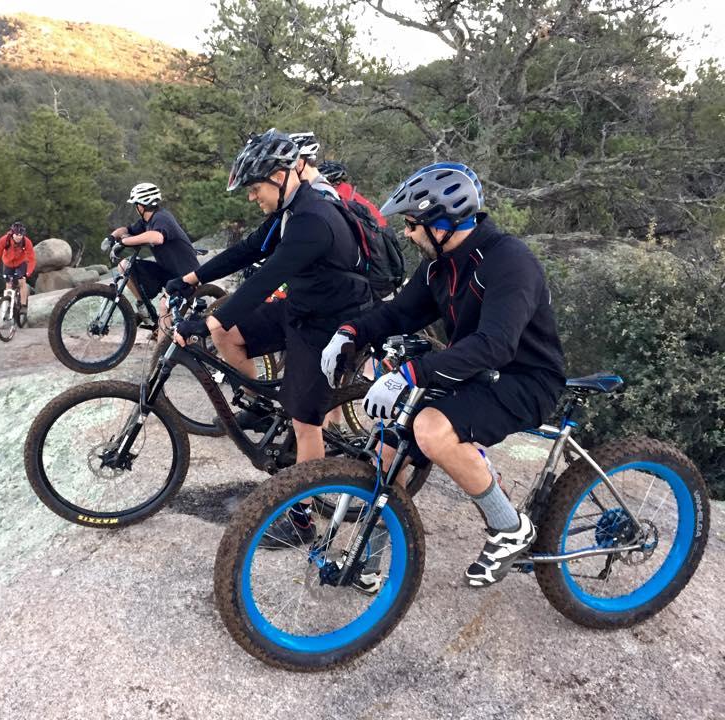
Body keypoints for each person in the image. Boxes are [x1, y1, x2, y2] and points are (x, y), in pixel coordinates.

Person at [320, 162, 567, 587]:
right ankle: (368, 562)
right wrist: (349, 332)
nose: (408, 234)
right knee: (386, 446)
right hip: (474, 370)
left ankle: (510, 528)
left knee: (431, 430)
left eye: (414, 224)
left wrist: (411, 373)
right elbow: (400, 312)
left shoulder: (510, 261)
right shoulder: (441, 264)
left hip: (526, 378)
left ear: (443, 223)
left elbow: (496, 344)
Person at [167, 129, 372, 545]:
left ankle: (302, 518)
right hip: (301, 307)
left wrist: (205, 322)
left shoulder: (313, 219)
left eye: (255, 187)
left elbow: (265, 279)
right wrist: (192, 277)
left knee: (305, 422)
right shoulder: (291, 210)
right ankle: (265, 405)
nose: (251, 196)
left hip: (329, 324)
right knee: (230, 334)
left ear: (281, 176)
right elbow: (246, 250)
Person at [102, 183, 200, 321]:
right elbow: (126, 230)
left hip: (184, 274)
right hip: (165, 271)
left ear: (140, 206)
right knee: (125, 265)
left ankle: (163, 338)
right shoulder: (146, 221)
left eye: (135, 204)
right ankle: (144, 307)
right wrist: (112, 237)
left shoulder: (162, 217)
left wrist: (124, 242)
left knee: (165, 307)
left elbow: (157, 237)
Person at [0, 221, 36, 314]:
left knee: (22, 281)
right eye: (17, 234)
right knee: (9, 284)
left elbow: (32, 258)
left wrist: (29, 272)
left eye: (21, 235)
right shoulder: (4, 240)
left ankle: (23, 306)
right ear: (12, 233)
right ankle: (8, 305)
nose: (19, 237)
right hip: (8, 264)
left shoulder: (26, 242)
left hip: (20, 263)